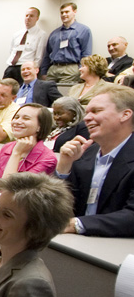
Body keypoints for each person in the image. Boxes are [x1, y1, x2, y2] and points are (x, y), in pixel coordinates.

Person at [56, 85, 134, 237]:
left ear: (125, 115)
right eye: (86, 112)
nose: (86, 118)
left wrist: (75, 224)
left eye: (96, 111)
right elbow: (57, 205)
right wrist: (64, 167)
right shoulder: (86, 152)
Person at [0, 104, 56, 189]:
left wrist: (16, 153)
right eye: (16, 117)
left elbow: (10, 189)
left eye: (26, 118)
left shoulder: (48, 159)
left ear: (39, 127)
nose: (17, 122)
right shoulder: (7, 147)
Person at [41, 2, 93, 84]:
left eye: (67, 12)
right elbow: (47, 54)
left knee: (63, 94)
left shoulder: (83, 30)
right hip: (53, 68)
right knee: (47, 93)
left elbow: (86, 54)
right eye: (62, 12)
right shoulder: (54, 33)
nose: (64, 14)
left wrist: (83, 70)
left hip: (71, 68)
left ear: (74, 12)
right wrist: (43, 72)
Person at [3, 7, 48, 84]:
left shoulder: (41, 34)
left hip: (25, 68)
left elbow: (39, 57)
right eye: (26, 15)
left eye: (31, 16)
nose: (28, 18)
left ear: (37, 18)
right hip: (12, 66)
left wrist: (33, 71)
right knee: (4, 88)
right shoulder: (17, 34)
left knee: (22, 92)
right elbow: (12, 51)